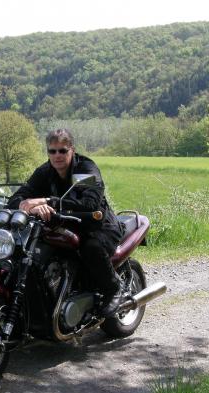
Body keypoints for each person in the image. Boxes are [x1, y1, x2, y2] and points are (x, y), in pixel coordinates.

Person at [7, 128, 124, 317]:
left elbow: (89, 204)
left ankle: (114, 288)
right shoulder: (45, 171)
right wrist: (27, 207)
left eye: (62, 150)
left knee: (91, 248)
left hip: (97, 225)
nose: (57, 155)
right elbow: (18, 197)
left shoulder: (85, 169)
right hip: (63, 225)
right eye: (52, 151)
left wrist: (47, 201)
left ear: (72, 150)